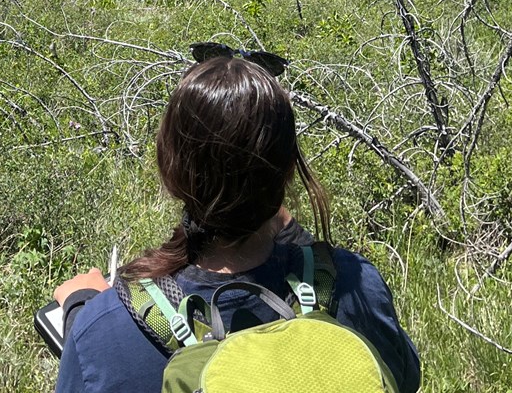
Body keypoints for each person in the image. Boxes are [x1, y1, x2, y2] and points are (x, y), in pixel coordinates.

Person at [52, 52, 421, 393]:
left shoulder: (103, 329)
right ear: (289, 171)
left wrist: (81, 309)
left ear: (169, 170)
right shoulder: (355, 286)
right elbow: (402, 378)